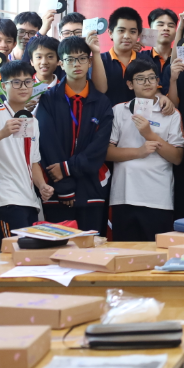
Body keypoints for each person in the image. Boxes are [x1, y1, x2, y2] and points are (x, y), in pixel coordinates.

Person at [0, 60, 54, 237]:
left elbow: (32, 161)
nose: (23, 87)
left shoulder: (32, 121)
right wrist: (2, 133)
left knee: (29, 250)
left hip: (29, 199)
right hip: (6, 199)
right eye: (16, 82)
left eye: (28, 82)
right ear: (4, 85)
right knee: (15, 249)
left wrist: (42, 185)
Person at [35, 36, 114, 231]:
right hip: (56, 190)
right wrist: (64, 186)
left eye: (81, 58)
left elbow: (99, 148)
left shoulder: (102, 102)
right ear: (61, 63)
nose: (76, 64)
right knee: (57, 245)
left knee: (91, 244)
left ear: (89, 62)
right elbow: (47, 145)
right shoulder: (48, 99)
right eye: (70, 59)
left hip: (91, 188)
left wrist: (67, 168)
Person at [106, 59, 184, 241]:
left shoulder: (171, 113)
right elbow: (107, 153)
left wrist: (149, 134)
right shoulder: (119, 110)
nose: (147, 82)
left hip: (157, 197)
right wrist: (139, 152)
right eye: (140, 79)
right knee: (124, 251)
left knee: (156, 252)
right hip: (123, 196)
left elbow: (177, 157)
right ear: (130, 84)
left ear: (158, 81)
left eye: (151, 78)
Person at [100, 7, 143, 106]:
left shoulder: (145, 60)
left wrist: (161, 96)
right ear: (111, 33)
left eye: (132, 32)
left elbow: (153, 90)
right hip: (107, 114)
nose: (127, 36)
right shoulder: (100, 61)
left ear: (138, 35)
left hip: (137, 114)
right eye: (121, 30)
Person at [137, 7, 178, 91]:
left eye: (171, 26)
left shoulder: (181, 59)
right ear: (150, 29)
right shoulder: (140, 58)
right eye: (160, 25)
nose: (166, 28)